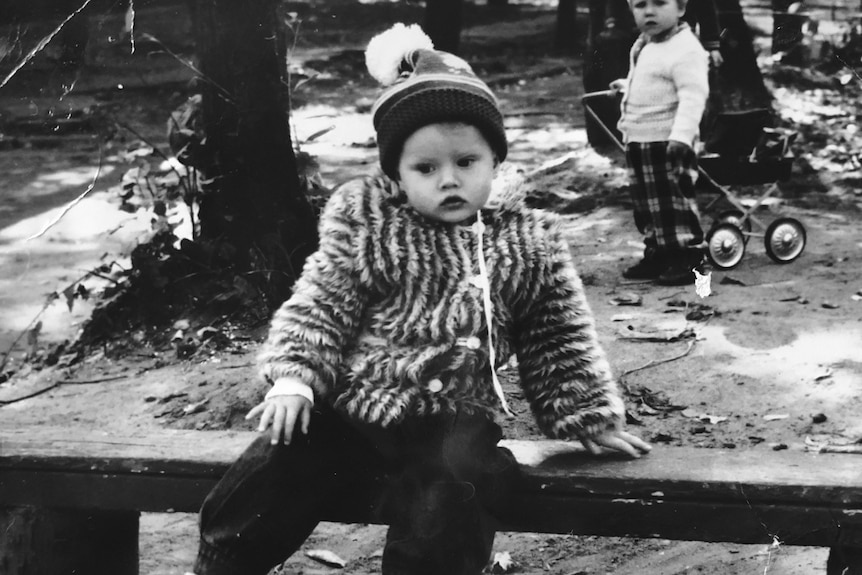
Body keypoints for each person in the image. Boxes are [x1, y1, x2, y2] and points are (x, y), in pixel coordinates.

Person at [189, 23, 651, 575]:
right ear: (397, 174)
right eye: (426, 168)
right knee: (286, 451)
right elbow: (321, 303)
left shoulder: (528, 242)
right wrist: (295, 378)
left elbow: (558, 333)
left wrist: (584, 414)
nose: (448, 181)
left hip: (453, 417)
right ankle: (224, 560)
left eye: (466, 162)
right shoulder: (370, 226)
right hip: (359, 403)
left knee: (453, 490)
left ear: (494, 161)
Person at [611, 0, 711, 286]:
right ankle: (658, 253)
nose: (649, 11)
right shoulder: (646, 45)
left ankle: (687, 256)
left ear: (681, 8)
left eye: (659, 3)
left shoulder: (686, 48)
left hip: (668, 141)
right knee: (647, 204)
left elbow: (693, 96)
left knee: (672, 201)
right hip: (639, 140)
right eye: (640, 5)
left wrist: (682, 136)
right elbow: (652, 82)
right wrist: (626, 86)